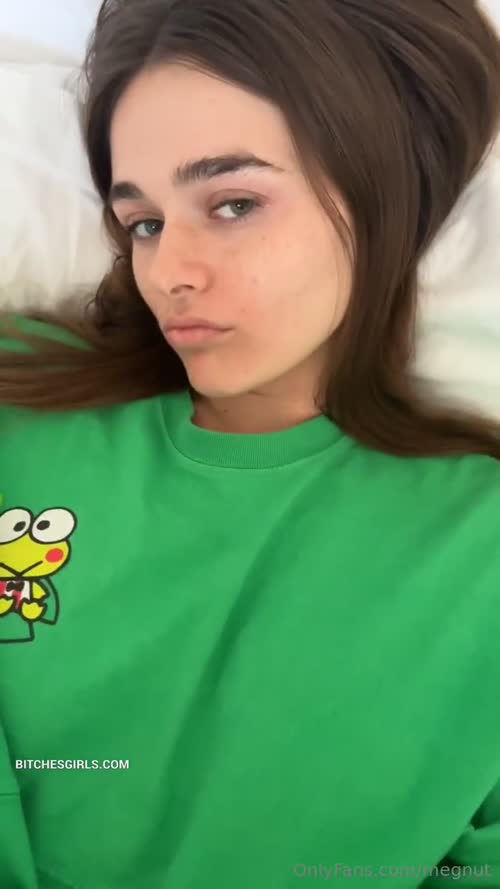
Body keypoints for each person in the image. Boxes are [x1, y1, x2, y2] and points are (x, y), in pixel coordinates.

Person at [0, 0, 500, 885]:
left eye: (233, 203)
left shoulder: (478, 551)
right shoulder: (21, 400)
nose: (169, 272)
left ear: (387, 189)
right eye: (144, 221)